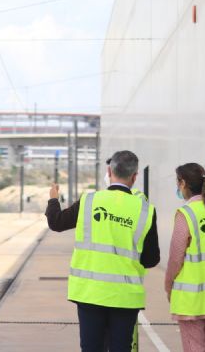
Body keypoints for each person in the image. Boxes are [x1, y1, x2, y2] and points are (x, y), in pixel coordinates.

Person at [46, 150, 160, 352]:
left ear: (109, 171)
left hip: (90, 293)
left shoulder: (89, 201)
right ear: (134, 176)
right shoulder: (145, 210)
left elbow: (56, 222)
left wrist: (54, 199)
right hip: (125, 296)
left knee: (92, 348)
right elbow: (151, 259)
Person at [165, 163, 205, 352]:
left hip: (190, 298)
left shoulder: (186, 214)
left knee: (194, 347)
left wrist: (168, 285)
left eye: (177, 182)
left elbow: (176, 257)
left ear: (183, 183)